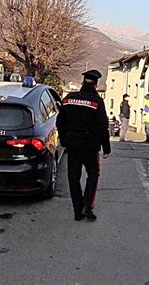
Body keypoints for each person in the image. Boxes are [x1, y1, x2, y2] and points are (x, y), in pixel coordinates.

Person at [56, 69, 111, 222]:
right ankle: (87, 206)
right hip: (90, 145)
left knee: (73, 177)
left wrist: (64, 140)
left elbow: (60, 122)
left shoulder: (68, 99)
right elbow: (102, 127)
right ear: (95, 84)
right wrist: (106, 148)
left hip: (72, 144)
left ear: (82, 82)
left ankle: (77, 211)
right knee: (93, 174)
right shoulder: (97, 102)